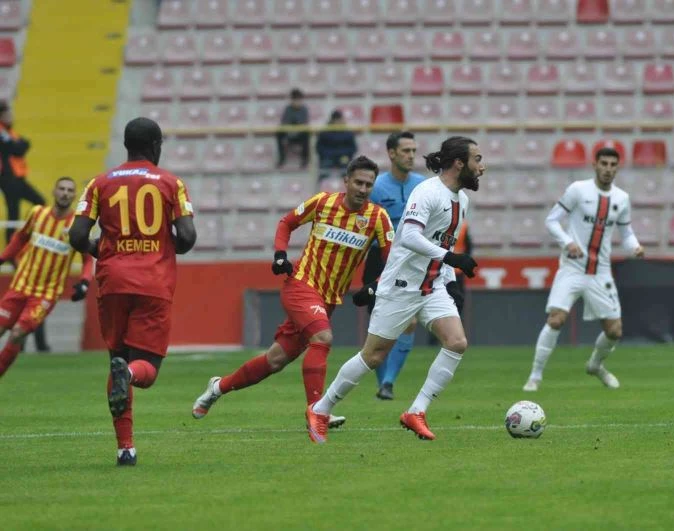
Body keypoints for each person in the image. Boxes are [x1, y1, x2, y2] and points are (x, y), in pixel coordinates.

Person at [305, 136, 485, 444]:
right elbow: (410, 236)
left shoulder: (462, 200)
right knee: (373, 356)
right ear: (459, 163)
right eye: (477, 160)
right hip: (401, 285)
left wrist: (451, 282)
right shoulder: (427, 191)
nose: (482, 167)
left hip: (431, 286)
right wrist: (451, 259)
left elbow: (444, 242)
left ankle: (416, 411)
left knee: (456, 342)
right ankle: (321, 409)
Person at [191, 156, 393, 429]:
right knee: (322, 338)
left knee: (275, 360)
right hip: (301, 284)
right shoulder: (322, 203)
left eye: (369, 184)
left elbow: (394, 259)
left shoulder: (378, 218)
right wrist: (280, 255)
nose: (363, 189)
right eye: (358, 182)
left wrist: (375, 285)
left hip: (327, 299)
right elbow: (287, 222)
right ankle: (317, 411)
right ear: (346, 181)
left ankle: (217, 388)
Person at [69, 117, 197, 466]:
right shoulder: (171, 183)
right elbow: (187, 237)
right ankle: (128, 375)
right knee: (145, 368)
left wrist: (100, 250)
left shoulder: (100, 183)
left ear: (127, 145)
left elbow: (77, 236)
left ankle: (125, 448)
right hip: (153, 281)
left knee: (118, 357)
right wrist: (164, 246)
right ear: (155, 146)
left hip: (112, 282)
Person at [522, 147, 644, 392]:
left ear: (617, 168)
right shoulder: (578, 190)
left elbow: (626, 232)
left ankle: (595, 366)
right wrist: (568, 242)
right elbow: (551, 220)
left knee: (614, 331)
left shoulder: (621, 198)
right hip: (572, 268)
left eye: (612, 165)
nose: (608, 169)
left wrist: (635, 247)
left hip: (601, 272)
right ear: (595, 165)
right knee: (556, 319)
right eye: (604, 164)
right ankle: (535, 377)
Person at [0, 177, 93, 377]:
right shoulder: (37, 214)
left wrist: (85, 282)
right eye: (62, 189)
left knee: (17, 333)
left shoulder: (76, 227)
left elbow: (87, 259)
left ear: (74, 196)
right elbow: (20, 238)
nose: (65, 193)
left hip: (45, 295)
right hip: (19, 286)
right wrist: (3, 258)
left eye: (70, 190)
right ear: (54, 191)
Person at [362, 131, 427, 400]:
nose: (411, 156)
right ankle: (382, 383)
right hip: (379, 259)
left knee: (409, 322)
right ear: (391, 154)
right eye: (405, 151)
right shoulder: (376, 187)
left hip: (412, 261)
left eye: (413, 151)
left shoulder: (423, 186)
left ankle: (388, 382)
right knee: (379, 323)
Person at [0, 100, 45, 246]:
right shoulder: (2, 132)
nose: (11, 116)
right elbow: (18, 148)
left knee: (34, 205)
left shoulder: (8, 132)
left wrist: (20, 145)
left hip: (16, 178)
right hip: (9, 178)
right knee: (16, 212)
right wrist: (20, 145)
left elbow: (24, 144)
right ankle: (12, 248)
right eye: (7, 114)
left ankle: (19, 241)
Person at [315, 110, 357, 182]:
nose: (338, 122)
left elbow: (353, 148)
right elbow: (319, 148)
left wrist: (344, 154)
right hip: (328, 157)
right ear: (332, 120)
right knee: (325, 167)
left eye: (339, 119)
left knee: (347, 168)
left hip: (343, 157)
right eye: (336, 120)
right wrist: (328, 154)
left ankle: (348, 187)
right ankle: (321, 186)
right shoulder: (324, 132)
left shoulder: (348, 132)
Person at [276, 88, 310, 169]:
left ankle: (305, 159)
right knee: (279, 133)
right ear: (292, 100)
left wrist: (297, 125)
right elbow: (284, 123)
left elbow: (304, 124)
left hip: (300, 134)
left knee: (306, 134)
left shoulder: (304, 109)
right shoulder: (288, 109)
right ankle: (281, 158)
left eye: (299, 100)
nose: (297, 102)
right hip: (289, 133)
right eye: (295, 100)